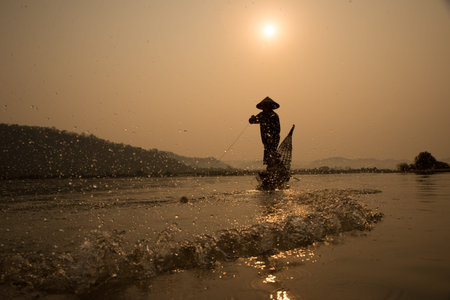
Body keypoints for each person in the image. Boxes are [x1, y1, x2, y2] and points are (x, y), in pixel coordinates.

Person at [249, 97, 281, 168]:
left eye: (267, 106)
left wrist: (272, 137)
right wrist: (252, 118)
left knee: (272, 152)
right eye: (264, 106)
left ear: (270, 106)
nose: (265, 107)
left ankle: (274, 168)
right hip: (265, 139)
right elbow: (252, 121)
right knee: (268, 153)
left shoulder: (274, 116)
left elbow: (278, 129)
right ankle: (270, 169)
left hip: (274, 139)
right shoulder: (261, 115)